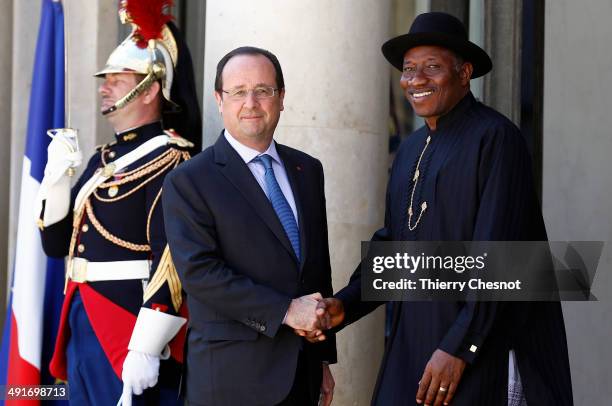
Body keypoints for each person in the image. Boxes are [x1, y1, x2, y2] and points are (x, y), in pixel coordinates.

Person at [312, 12, 573, 406]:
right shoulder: (411, 151)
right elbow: (392, 249)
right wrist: (343, 306)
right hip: (411, 346)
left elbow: (497, 259)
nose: (415, 80)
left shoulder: (496, 139)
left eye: (432, 67)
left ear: (464, 72)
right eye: (408, 69)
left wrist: (459, 348)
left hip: (475, 352)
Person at [35, 1, 201, 404]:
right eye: (104, 77)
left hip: (128, 322)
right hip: (80, 315)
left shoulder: (172, 160)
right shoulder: (101, 159)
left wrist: (146, 344)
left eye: (117, 78)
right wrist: (56, 182)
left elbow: (171, 259)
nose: (103, 86)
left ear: (152, 89)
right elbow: (56, 246)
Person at [162, 46, 336, 406]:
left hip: (300, 374)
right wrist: (286, 311)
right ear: (218, 100)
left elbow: (317, 269)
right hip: (229, 380)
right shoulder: (189, 180)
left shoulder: (308, 170)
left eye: (263, 90)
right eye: (238, 91)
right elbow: (201, 273)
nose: (251, 102)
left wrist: (321, 356)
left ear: (281, 98)